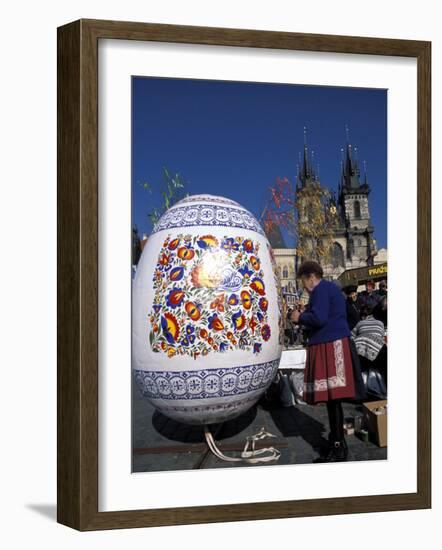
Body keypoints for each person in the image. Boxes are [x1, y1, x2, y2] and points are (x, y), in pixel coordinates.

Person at [290, 261, 365, 462]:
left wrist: (300, 317)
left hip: (331, 345)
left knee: (334, 399)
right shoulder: (329, 289)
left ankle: (338, 447)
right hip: (332, 342)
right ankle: (337, 442)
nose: (304, 286)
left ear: (310, 276)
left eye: (304, 281)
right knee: (333, 400)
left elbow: (320, 318)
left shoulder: (321, 290)